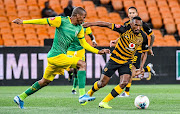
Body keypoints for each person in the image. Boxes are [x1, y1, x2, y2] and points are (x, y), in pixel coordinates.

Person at [12, 7, 110, 109]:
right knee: (82, 64)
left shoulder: (80, 28)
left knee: (44, 82)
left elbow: (84, 44)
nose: (84, 20)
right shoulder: (61, 21)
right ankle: (81, 95)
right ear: (77, 15)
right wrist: (23, 22)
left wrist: (98, 51)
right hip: (56, 56)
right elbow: (43, 21)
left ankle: (20, 97)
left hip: (57, 57)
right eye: (83, 17)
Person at [83, 16, 149, 108]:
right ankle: (89, 93)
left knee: (124, 82)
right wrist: (91, 24)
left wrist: (141, 67)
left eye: (140, 26)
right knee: (102, 83)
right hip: (114, 60)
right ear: (131, 24)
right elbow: (107, 24)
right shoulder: (124, 29)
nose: (138, 28)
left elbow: (145, 52)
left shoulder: (144, 37)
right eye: (136, 25)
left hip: (126, 62)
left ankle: (104, 102)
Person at [110, 6, 156, 97]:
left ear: (137, 14)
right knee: (128, 72)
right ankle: (147, 69)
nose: (131, 15)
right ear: (128, 14)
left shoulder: (142, 24)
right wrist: (116, 41)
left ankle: (126, 92)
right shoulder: (127, 24)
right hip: (128, 50)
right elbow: (123, 35)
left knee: (131, 72)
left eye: (133, 13)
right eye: (130, 13)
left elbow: (153, 35)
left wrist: (150, 47)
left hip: (137, 51)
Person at [66, 26, 97, 95]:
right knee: (71, 69)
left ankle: (74, 88)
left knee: (78, 70)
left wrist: (93, 41)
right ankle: (70, 74)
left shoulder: (85, 26)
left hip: (80, 50)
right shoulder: (70, 25)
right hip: (70, 50)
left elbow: (91, 35)